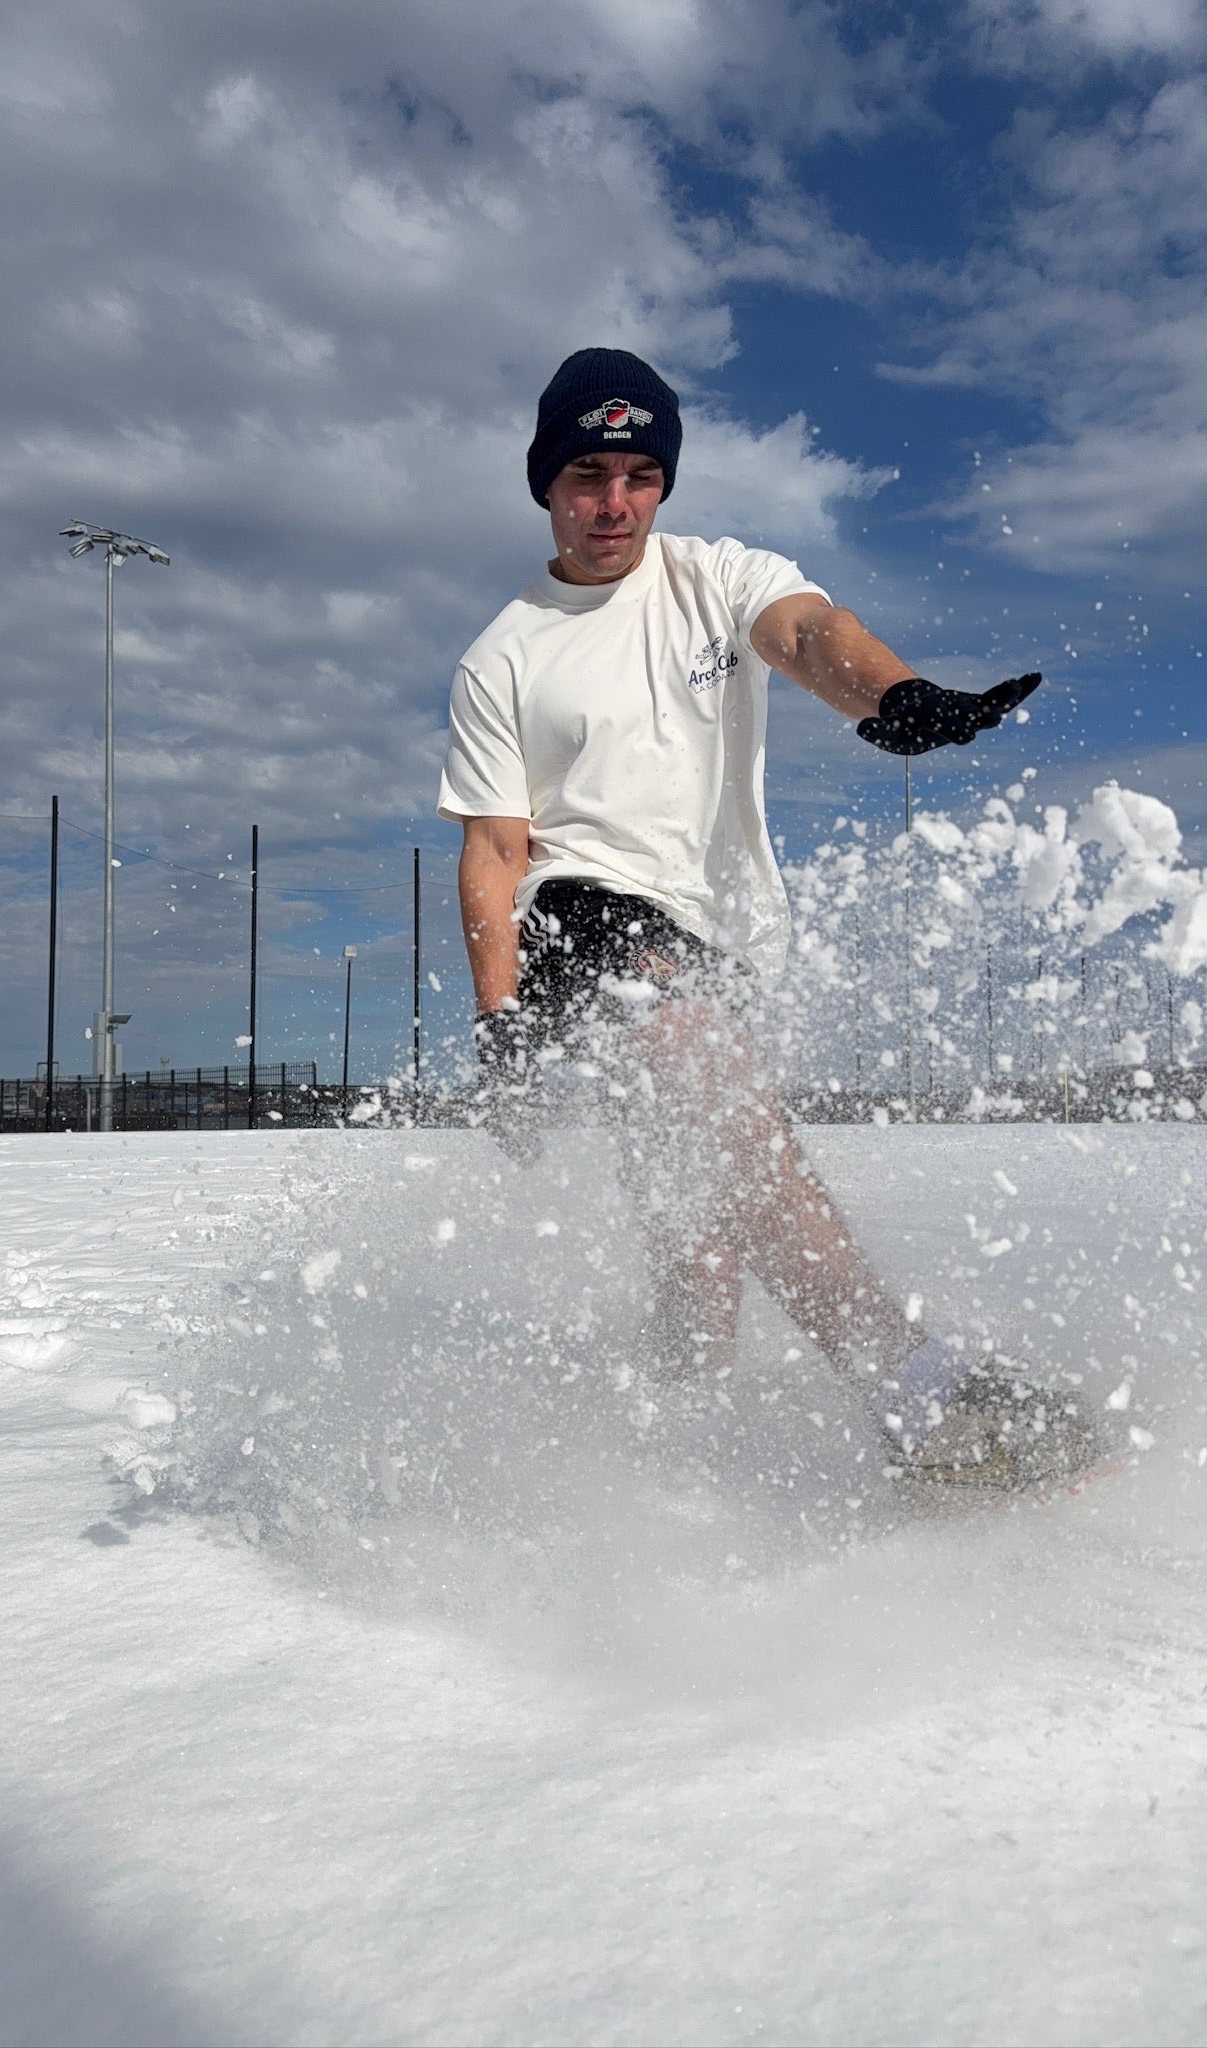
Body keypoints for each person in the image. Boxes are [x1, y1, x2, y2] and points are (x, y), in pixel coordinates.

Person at [437, 346, 1099, 1491]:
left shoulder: (715, 576)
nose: (613, 501)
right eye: (588, 472)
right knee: (745, 1145)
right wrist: (501, 1021)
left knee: (697, 1241)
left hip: (716, 936)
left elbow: (808, 634)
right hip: (585, 922)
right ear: (546, 480)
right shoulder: (504, 652)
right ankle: (923, 1399)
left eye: (638, 473)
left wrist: (891, 694)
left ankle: (652, 1462)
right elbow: (495, 851)